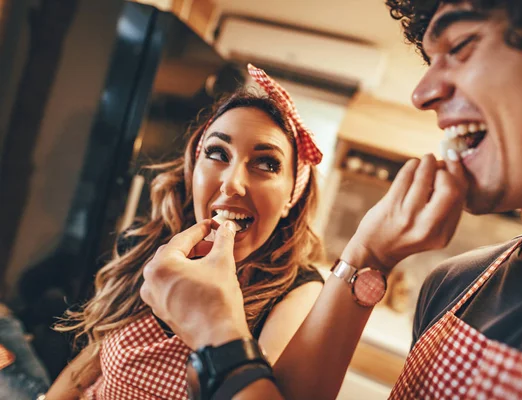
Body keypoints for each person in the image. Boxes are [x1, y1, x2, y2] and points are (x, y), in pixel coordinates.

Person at [140, 0, 522, 399]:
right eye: (216, 153)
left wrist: (217, 333)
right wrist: (368, 254)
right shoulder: (455, 282)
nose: (422, 94)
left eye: (460, 45)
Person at [45, 64, 327, 400]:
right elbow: (86, 367)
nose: (232, 183)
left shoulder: (298, 294)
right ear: (194, 174)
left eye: (266, 163)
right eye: (218, 153)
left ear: (289, 199)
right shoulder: (147, 246)